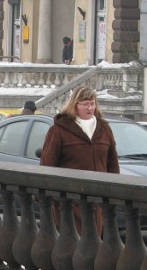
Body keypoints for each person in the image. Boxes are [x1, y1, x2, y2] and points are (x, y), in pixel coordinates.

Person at [40, 86, 119, 233]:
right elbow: (47, 165)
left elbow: (112, 164)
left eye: (92, 104)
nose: (90, 108)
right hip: (69, 204)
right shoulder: (59, 130)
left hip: (98, 202)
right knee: (74, 249)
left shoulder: (104, 129)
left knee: (94, 248)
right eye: (85, 104)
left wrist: (114, 193)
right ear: (75, 105)